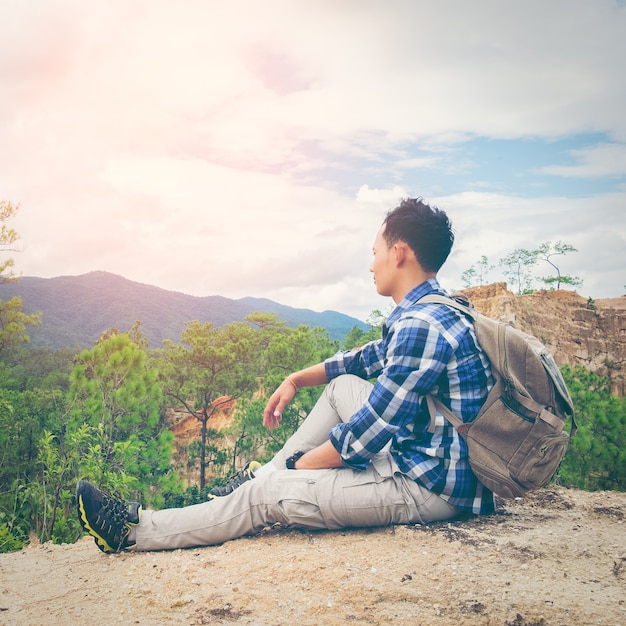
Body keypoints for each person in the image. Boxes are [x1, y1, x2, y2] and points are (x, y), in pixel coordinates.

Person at [76, 197, 495, 554]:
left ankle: (135, 532)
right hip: (434, 454)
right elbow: (363, 361)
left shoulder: (421, 326)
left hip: (429, 485)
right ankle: (263, 475)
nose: (371, 264)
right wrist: (296, 378)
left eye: (375, 251)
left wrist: (296, 467)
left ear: (398, 253)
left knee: (266, 495)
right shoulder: (438, 308)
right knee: (341, 388)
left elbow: (364, 439)